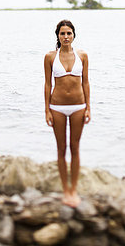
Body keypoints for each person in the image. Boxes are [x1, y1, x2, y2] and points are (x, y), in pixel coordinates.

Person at [44, 19, 91, 207]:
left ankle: (74, 190)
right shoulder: (49, 57)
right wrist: (46, 109)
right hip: (57, 107)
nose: (65, 37)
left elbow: (86, 82)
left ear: (73, 35)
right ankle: (65, 190)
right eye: (62, 33)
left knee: (75, 147)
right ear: (58, 35)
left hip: (79, 106)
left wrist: (89, 107)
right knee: (61, 148)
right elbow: (48, 84)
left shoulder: (83, 55)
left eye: (68, 33)